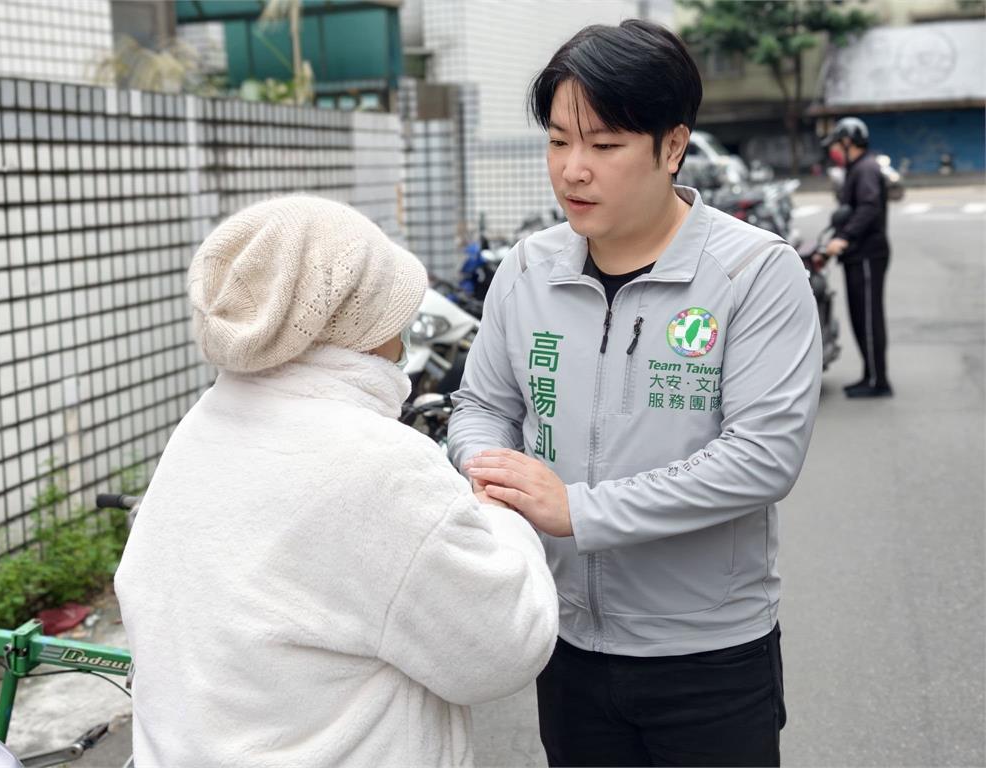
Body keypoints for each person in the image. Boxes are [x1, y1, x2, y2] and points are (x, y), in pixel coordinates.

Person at [447, 19, 822, 768]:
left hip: (709, 657)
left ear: (672, 146)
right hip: (567, 644)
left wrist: (577, 511)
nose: (572, 170)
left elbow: (760, 460)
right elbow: (483, 404)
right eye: (558, 141)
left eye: (604, 145)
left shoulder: (754, 273)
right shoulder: (528, 268)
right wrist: (490, 467)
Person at [114, 196, 558, 768]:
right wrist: (504, 516)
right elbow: (502, 647)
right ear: (360, 325)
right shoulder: (376, 466)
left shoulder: (206, 423)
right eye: (393, 313)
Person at [822, 116, 893, 398]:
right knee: (860, 317)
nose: (835, 151)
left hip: (867, 254)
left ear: (848, 142)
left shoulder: (865, 169)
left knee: (869, 317)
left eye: (838, 144)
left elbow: (868, 207)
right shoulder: (857, 168)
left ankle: (878, 381)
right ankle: (870, 375)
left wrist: (844, 237)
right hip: (858, 254)